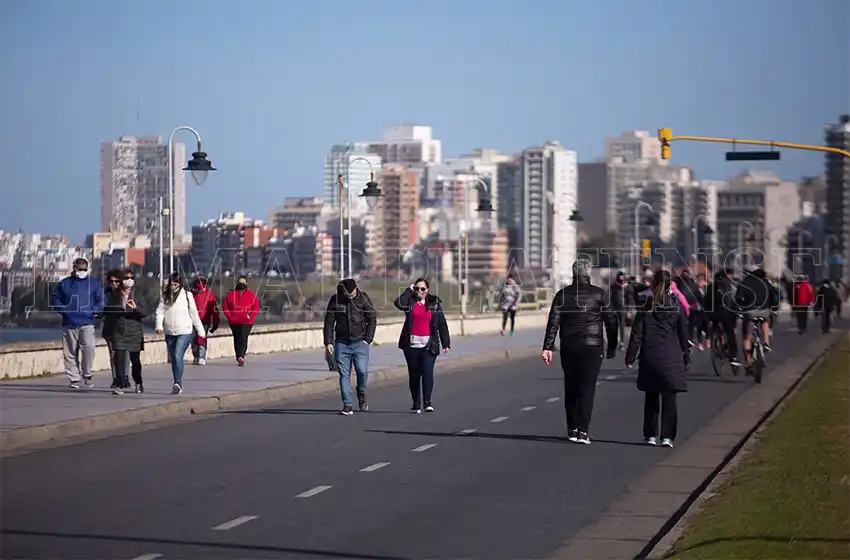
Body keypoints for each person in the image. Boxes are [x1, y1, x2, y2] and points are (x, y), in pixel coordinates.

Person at [541, 259, 618, 445]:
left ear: (573, 273)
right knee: (587, 389)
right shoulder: (600, 294)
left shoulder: (562, 295)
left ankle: (572, 428)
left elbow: (553, 322)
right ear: (588, 273)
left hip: (569, 347)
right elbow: (612, 321)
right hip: (593, 347)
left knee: (571, 387)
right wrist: (613, 346)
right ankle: (583, 431)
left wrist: (547, 347)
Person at [625, 270, 690, 448]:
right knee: (670, 398)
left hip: (650, 356)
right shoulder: (676, 307)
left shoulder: (646, 307)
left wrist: (630, 356)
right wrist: (686, 356)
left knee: (651, 397)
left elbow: (636, 334)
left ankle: (650, 435)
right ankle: (667, 436)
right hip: (671, 356)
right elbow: (684, 335)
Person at [394, 278, 451, 413]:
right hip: (411, 345)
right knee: (414, 375)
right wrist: (408, 290)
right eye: (417, 288)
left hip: (429, 345)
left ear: (427, 290)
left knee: (427, 372)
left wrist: (445, 343)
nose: (420, 291)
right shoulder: (410, 302)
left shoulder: (434, 303)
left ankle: (427, 402)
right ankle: (416, 403)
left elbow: (441, 323)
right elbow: (398, 303)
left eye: (423, 289)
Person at [323, 278, 377, 415]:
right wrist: (328, 342)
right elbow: (329, 322)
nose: (351, 296)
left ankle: (362, 394)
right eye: (349, 294)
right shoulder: (336, 300)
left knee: (362, 371)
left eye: (353, 294)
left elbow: (372, 319)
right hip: (341, 343)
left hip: (360, 342)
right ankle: (347, 404)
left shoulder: (363, 298)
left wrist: (368, 339)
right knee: (344, 375)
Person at [50, 257, 103, 389]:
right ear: (74, 268)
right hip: (69, 322)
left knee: (89, 348)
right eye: (80, 269)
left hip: (87, 322)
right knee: (70, 352)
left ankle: (87, 373)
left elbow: (101, 299)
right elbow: (55, 298)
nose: (83, 271)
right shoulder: (64, 284)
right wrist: (64, 310)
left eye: (85, 269)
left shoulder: (94, 283)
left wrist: (95, 310)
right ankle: (74, 378)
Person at [155, 273, 206, 395]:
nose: (173, 286)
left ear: (180, 284)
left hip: (185, 331)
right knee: (174, 358)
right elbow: (159, 312)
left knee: (178, 355)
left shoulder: (187, 296)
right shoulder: (165, 296)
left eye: (176, 284)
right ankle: (176, 381)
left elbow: (194, 314)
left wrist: (200, 331)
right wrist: (159, 325)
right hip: (170, 331)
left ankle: (178, 383)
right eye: (171, 284)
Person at [102, 268, 149, 395]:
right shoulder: (114, 294)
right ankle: (120, 384)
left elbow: (145, 312)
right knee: (119, 357)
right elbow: (108, 310)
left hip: (134, 331)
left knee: (135, 360)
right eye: (126, 278)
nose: (129, 281)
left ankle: (138, 382)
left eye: (131, 278)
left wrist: (134, 309)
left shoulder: (138, 294)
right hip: (119, 330)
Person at [735, 267, 775, 374]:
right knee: (765, 321)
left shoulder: (745, 282)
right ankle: (766, 342)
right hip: (764, 309)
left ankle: (748, 363)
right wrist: (772, 306)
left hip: (750, 311)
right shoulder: (765, 282)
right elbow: (774, 294)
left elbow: (738, 298)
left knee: (747, 336)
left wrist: (741, 307)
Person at [706, 268, 741, 368]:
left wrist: (707, 314)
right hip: (727, 313)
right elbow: (733, 302)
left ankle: (716, 338)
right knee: (731, 333)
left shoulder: (710, 287)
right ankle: (733, 356)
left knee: (715, 325)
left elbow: (706, 301)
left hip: (713, 314)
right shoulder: (730, 286)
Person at [222, 275, 260, 367]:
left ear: (246, 283)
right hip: (234, 321)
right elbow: (225, 307)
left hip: (247, 321)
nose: (241, 284)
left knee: (243, 337)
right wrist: (230, 317)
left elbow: (256, 308)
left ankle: (241, 356)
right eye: (240, 282)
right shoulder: (231, 294)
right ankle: (238, 355)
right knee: (237, 338)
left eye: (243, 282)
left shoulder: (251, 295)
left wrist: (250, 316)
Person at [190, 275, 220, 366]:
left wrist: (215, 323)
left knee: (197, 339)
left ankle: (199, 357)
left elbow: (214, 309)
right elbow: (215, 310)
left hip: (201, 320)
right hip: (198, 320)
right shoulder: (194, 294)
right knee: (198, 339)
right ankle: (199, 357)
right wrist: (215, 323)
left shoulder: (193, 294)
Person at [102, 269, 124, 388]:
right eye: (112, 281)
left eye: (117, 281)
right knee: (113, 354)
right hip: (109, 328)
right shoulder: (105, 295)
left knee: (122, 355)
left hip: (122, 329)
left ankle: (123, 377)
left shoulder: (124, 294)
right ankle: (116, 378)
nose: (114, 284)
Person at [609, 271, 629, 350]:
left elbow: (628, 298)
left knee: (622, 326)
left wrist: (628, 309)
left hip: (623, 309)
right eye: (620, 276)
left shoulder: (627, 287)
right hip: (614, 308)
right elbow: (610, 297)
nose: (622, 278)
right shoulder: (613, 286)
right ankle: (614, 341)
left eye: (623, 276)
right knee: (614, 326)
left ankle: (622, 342)